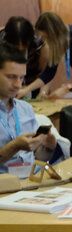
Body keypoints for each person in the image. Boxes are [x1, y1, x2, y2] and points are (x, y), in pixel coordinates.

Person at [0, 43, 58, 174]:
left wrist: (48, 148)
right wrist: (14, 146)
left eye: (21, 78)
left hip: (31, 182)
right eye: (11, 77)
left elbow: (37, 159)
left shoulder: (25, 109)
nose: (18, 85)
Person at [0, 16, 47, 97]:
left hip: (32, 84)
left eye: (24, 46)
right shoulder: (1, 40)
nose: (20, 49)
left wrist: (43, 92)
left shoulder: (39, 42)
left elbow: (46, 72)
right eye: (15, 46)